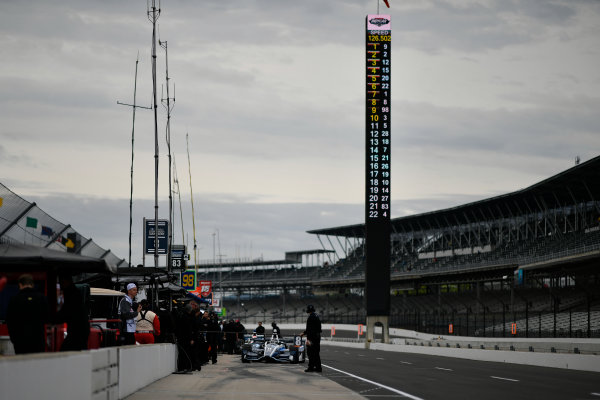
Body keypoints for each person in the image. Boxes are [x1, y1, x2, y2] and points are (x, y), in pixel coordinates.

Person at [6, 274, 49, 354]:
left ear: (20, 284)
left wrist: (14, 339)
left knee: (22, 364)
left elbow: (10, 321)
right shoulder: (42, 298)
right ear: (32, 284)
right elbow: (46, 317)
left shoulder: (14, 299)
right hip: (38, 339)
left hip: (21, 341)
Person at [57, 274, 90, 351]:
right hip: (80, 331)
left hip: (76, 332)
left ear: (65, 281)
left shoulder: (71, 294)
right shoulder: (74, 292)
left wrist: (52, 318)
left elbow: (65, 312)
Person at [301, 304, 322, 372]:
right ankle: (318, 367)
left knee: (310, 353)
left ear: (308, 310)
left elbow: (309, 329)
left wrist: (304, 333)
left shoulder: (310, 317)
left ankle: (311, 367)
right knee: (316, 353)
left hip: (311, 338)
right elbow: (318, 328)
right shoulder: (316, 316)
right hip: (317, 337)